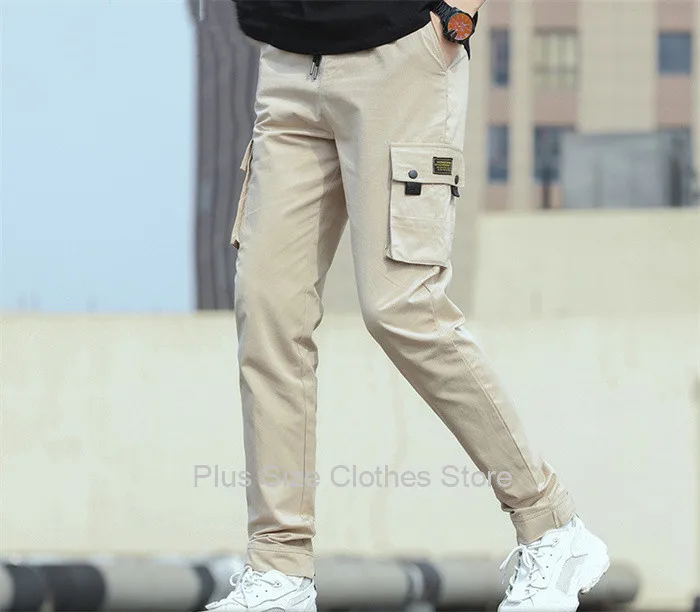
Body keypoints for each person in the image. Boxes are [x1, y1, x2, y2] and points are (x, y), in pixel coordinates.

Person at [204, 1, 610, 610]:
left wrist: (457, 13)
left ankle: (550, 523)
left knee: (401, 306)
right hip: (287, 61)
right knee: (266, 312)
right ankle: (280, 572)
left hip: (396, 53)